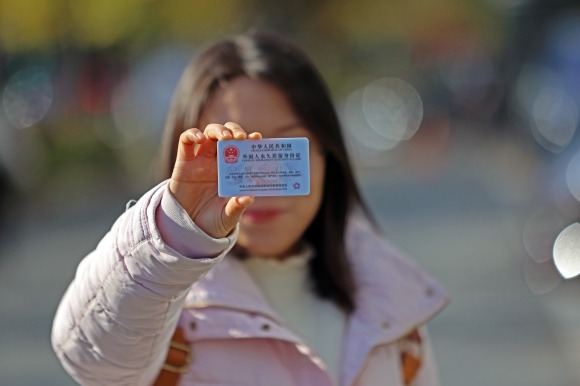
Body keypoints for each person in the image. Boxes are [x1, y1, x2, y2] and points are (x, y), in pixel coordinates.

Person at [51, 32, 449, 386]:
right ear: (182, 160)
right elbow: (91, 362)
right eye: (229, 154)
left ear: (328, 155)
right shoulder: (158, 312)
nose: (256, 186)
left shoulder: (394, 309)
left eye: (282, 150)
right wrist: (175, 236)